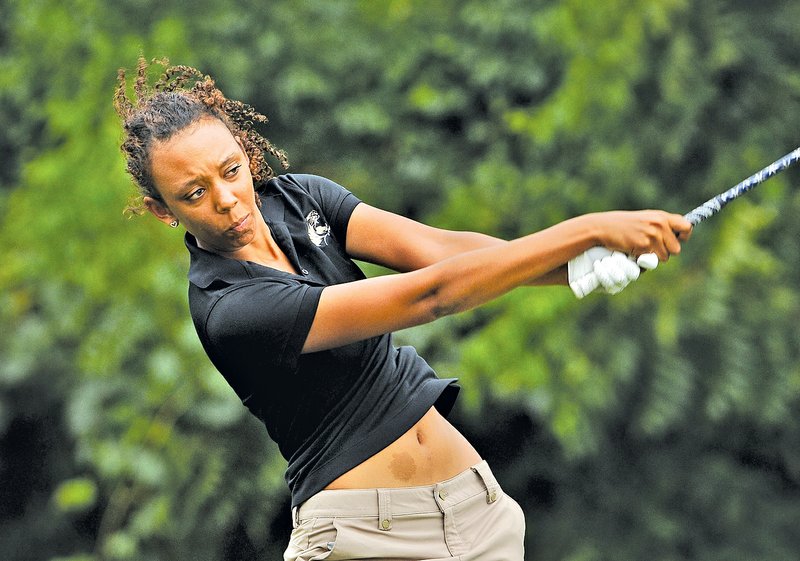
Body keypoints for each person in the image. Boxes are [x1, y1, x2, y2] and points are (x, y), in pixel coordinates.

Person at [114, 58, 692, 561]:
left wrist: (573, 268)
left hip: (478, 513)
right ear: (163, 210)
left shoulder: (300, 198)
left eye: (232, 170)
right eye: (193, 193)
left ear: (245, 152)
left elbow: (436, 250)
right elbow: (430, 294)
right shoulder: (230, 309)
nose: (226, 198)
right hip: (365, 539)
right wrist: (585, 230)